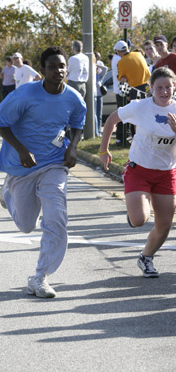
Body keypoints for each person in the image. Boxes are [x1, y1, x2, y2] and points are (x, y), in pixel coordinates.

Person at [0, 46, 86, 298]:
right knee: (26, 225)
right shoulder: (24, 95)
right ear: (42, 71)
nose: (58, 70)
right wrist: (20, 149)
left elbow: (77, 124)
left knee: (56, 218)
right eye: (52, 66)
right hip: (23, 166)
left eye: (62, 66)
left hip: (54, 164)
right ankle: (8, 191)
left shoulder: (73, 97)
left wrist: (72, 148)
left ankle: (40, 276)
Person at [99, 67, 176, 278]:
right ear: (151, 89)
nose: (164, 91)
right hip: (139, 170)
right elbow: (111, 120)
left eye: (168, 87)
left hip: (166, 173)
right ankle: (134, 212)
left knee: (164, 225)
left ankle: (146, 257)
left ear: (174, 87)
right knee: (140, 219)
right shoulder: (140, 107)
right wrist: (103, 150)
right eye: (159, 87)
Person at [114, 40, 151, 137]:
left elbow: (121, 79)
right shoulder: (138, 54)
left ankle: (136, 135)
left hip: (136, 89)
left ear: (118, 52)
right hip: (148, 86)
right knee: (147, 112)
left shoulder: (121, 62)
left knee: (136, 113)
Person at [95, 62, 108, 137]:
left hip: (99, 96)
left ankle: (99, 131)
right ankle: (95, 131)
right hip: (93, 97)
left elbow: (105, 68)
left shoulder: (98, 76)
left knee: (99, 114)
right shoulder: (90, 76)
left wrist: (96, 65)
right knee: (94, 115)